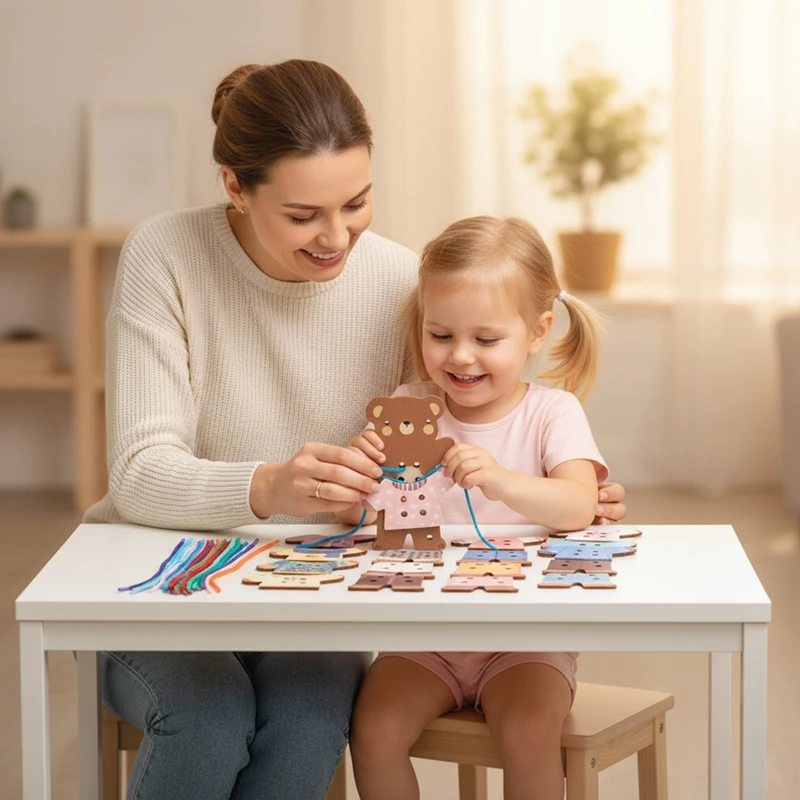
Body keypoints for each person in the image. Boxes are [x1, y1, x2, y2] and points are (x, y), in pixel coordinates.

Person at [83, 60, 627, 799]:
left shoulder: (403, 283)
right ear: (235, 187)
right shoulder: (165, 256)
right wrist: (270, 486)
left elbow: (457, 433)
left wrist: (564, 491)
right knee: (209, 717)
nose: (336, 237)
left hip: (311, 589)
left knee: (311, 722)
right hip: (162, 580)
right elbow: (138, 473)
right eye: (303, 215)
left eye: (357, 202)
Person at [346, 216, 609, 800]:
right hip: (424, 638)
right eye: (440, 335)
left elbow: (578, 503)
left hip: (526, 642)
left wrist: (502, 481)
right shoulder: (409, 406)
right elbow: (364, 518)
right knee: (374, 728)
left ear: (537, 332)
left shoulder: (552, 412)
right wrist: (356, 481)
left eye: (486, 340)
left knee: (528, 733)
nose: (461, 357)